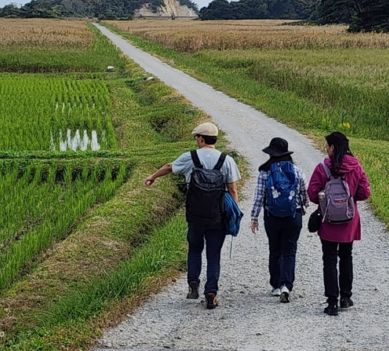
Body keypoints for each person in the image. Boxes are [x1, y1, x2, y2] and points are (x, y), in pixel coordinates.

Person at [144, 122, 240, 309]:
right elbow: (233, 189)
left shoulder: (191, 157)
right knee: (213, 255)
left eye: (197, 137)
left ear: (201, 139)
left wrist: (152, 177)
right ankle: (211, 291)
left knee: (195, 249)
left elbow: (169, 166)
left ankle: (193, 285)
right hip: (217, 216)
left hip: (195, 215)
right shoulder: (226, 160)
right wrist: (234, 213)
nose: (197, 140)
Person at [307, 131, 371, 316]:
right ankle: (346, 297)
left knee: (329, 259)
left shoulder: (323, 168)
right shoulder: (355, 167)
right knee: (346, 256)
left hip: (328, 220)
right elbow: (364, 192)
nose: (325, 149)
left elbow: (312, 194)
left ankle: (332, 302)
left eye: (327, 146)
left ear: (333, 147)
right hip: (349, 220)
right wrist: (348, 199)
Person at [250, 137, 308, 303]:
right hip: (293, 215)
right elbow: (304, 193)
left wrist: (254, 217)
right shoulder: (297, 171)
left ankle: (276, 285)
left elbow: (259, 196)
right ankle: (286, 285)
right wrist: (303, 207)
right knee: (289, 251)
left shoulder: (265, 172)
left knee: (275, 249)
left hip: (272, 216)